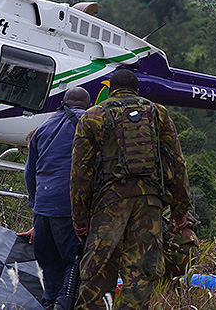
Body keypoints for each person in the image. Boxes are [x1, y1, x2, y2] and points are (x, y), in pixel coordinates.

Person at [70, 69, 190, 309]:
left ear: (111, 89)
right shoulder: (158, 113)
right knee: (141, 272)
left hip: (109, 203)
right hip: (150, 202)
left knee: (98, 270)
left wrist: (80, 217)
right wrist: (180, 209)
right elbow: (178, 163)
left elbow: (80, 173)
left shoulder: (93, 116)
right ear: (137, 91)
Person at [18, 87, 91, 310]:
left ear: (64, 102)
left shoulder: (43, 128)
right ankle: (62, 304)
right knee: (74, 260)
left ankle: (50, 304)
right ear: (86, 105)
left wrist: (36, 205)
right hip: (69, 208)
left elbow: (29, 174)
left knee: (49, 263)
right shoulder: (89, 123)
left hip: (43, 208)